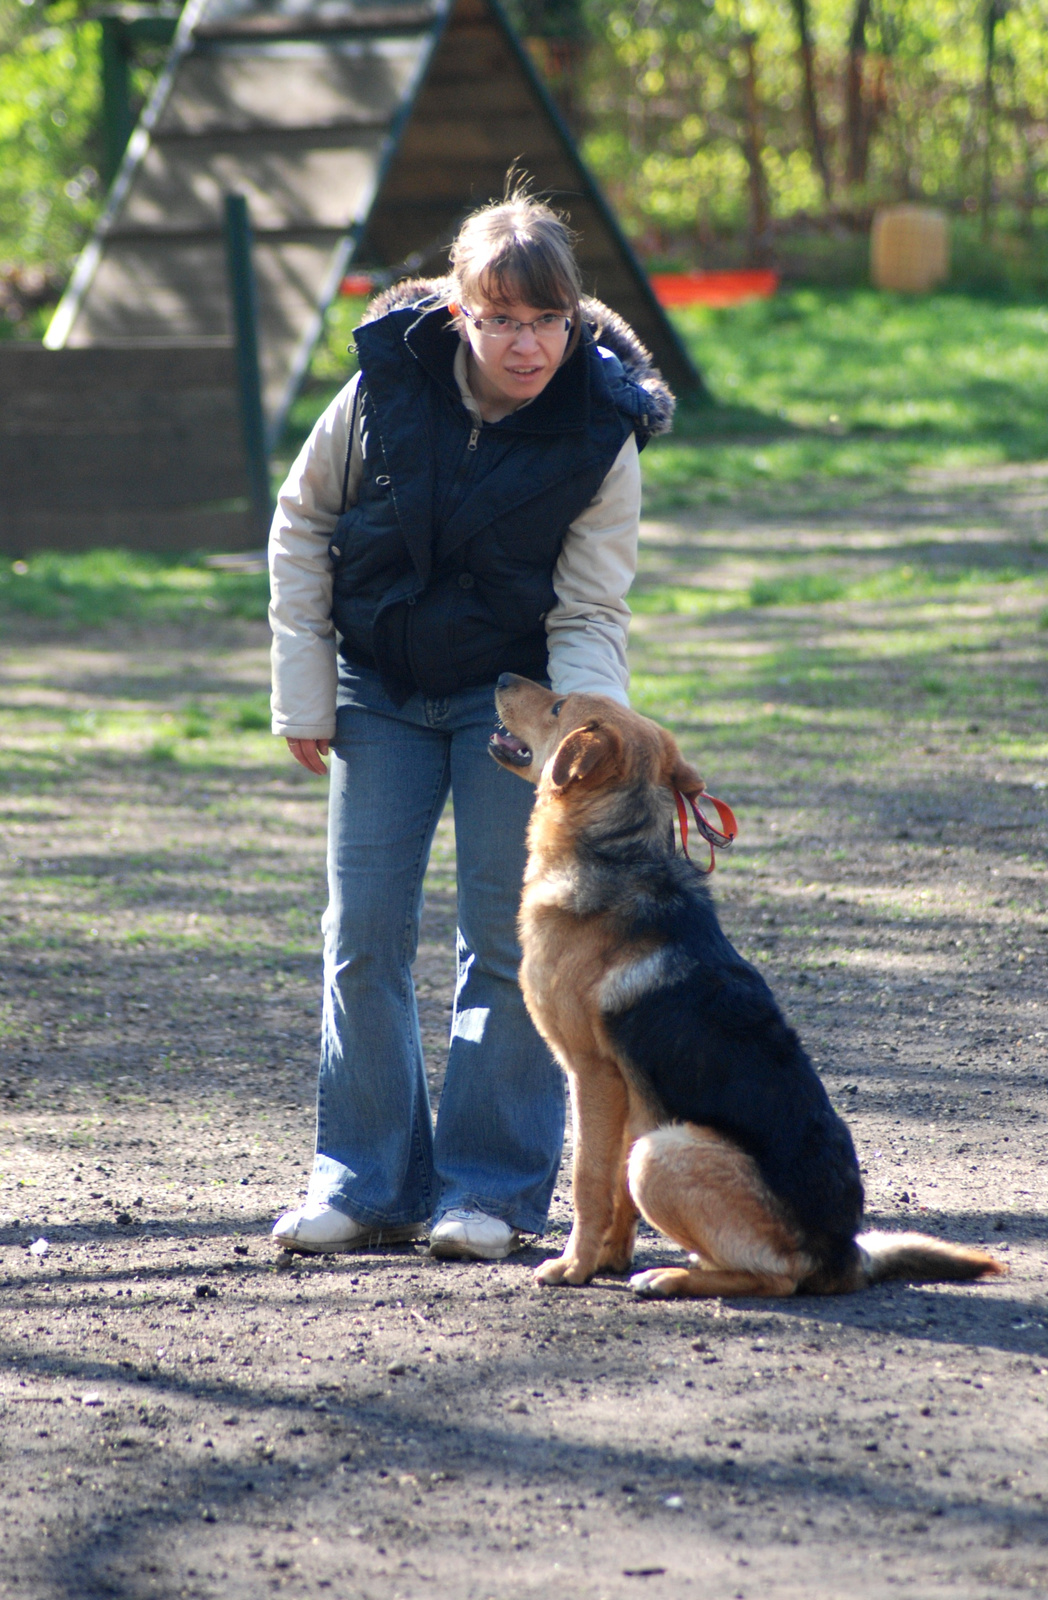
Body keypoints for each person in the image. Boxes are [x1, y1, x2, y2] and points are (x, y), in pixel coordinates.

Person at [267, 189, 673, 1260]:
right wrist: (304, 689)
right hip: (378, 692)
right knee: (361, 936)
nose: (525, 343)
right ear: (459, 312)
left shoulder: (603, 432)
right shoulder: (380, 390)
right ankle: (362, 1179)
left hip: (513, 708)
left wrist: (589, 737)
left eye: (546, 320)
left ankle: (487, 1191)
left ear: (573, 317)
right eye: (501, 320)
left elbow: (589, 610)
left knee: (506, 940)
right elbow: (302, 521)